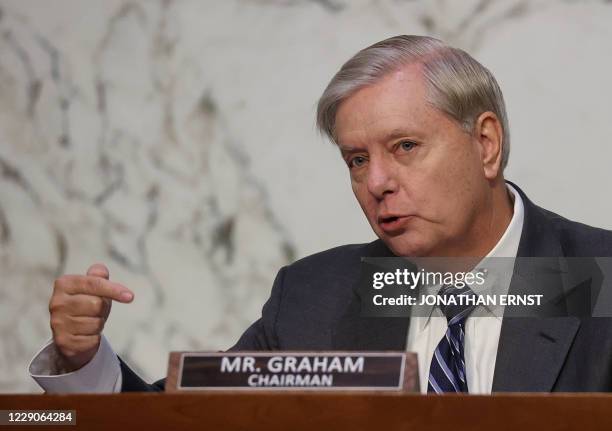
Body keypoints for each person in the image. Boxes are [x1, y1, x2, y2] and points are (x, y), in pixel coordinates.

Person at [29, 35, 612, 394]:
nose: (377, 182)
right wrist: (84, 362)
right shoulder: (317, 294)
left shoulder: (598, 277)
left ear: (485, 143)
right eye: (357, 160)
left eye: (404, 147)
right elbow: (178, 421)